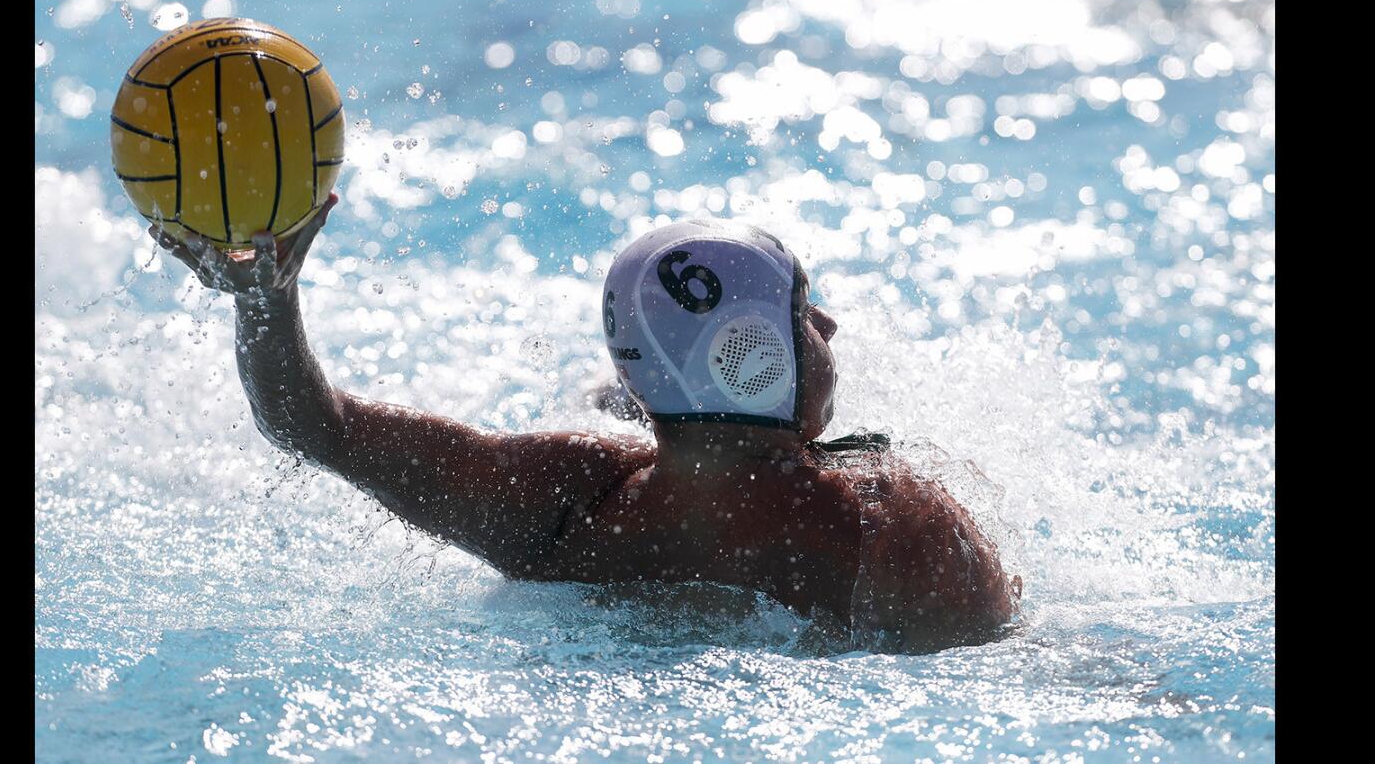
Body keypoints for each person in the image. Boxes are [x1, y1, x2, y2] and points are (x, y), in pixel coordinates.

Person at [150, 195, 1021, 653]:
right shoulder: (889, 521)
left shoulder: (560, 499)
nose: (828, 328)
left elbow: (316, 425)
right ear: (749, 353)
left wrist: (265, 300)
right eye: (803, 313)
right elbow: (1005, 659)